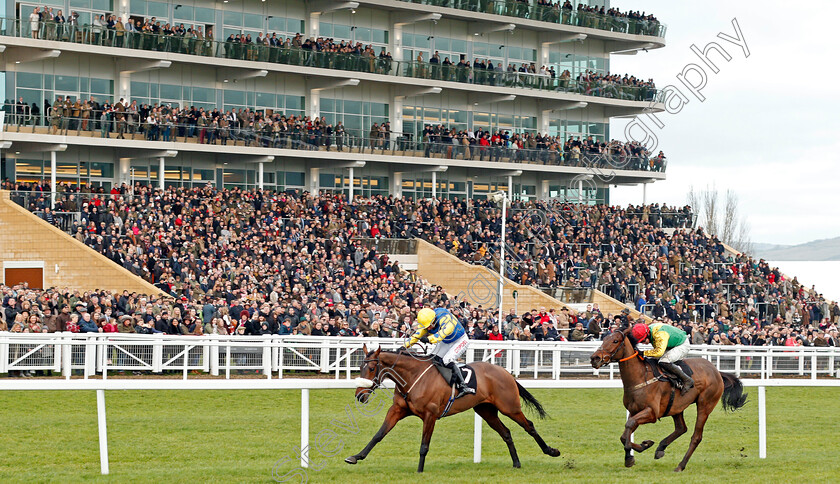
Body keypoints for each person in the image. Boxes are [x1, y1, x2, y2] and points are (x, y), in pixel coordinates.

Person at [405, 306, 475, 398]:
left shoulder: (445, 319)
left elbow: (441, 335)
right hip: (446, 341)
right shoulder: (429, 321)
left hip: (460, 340)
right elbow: (417, 335)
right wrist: (404, 346)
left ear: (433, 320)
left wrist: (428, 339)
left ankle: (463, 386)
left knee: (447, 359)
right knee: (432, 358)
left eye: (429, 326)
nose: (428, 329)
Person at [630, 321, 694, 393]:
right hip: (671, 344)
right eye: (641, 342)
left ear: (647, 334)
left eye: (643, 340)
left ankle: (687, 380)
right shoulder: (650, 331)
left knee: (664, 361)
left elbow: (659, 352)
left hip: (682, 344)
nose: (644, 343)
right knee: (653, 359)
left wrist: (644, 353)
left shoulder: (659, 334)